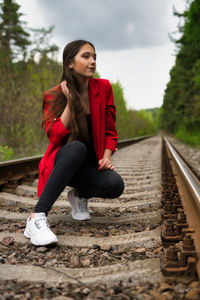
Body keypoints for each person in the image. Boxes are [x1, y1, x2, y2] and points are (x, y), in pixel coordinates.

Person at [24, 40, 124, 246]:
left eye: (94, 57)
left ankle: (79, 196)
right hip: (64, 160)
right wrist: (70, 103)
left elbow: (110, 132)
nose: (93, 61)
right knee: (76, 147)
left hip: (88, 165)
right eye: (86, 56)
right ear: (70, 63)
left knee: (115, 185)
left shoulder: (103, 88)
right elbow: (55, 137)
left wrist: (106, 157)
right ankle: (36, 217)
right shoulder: (54, 95)